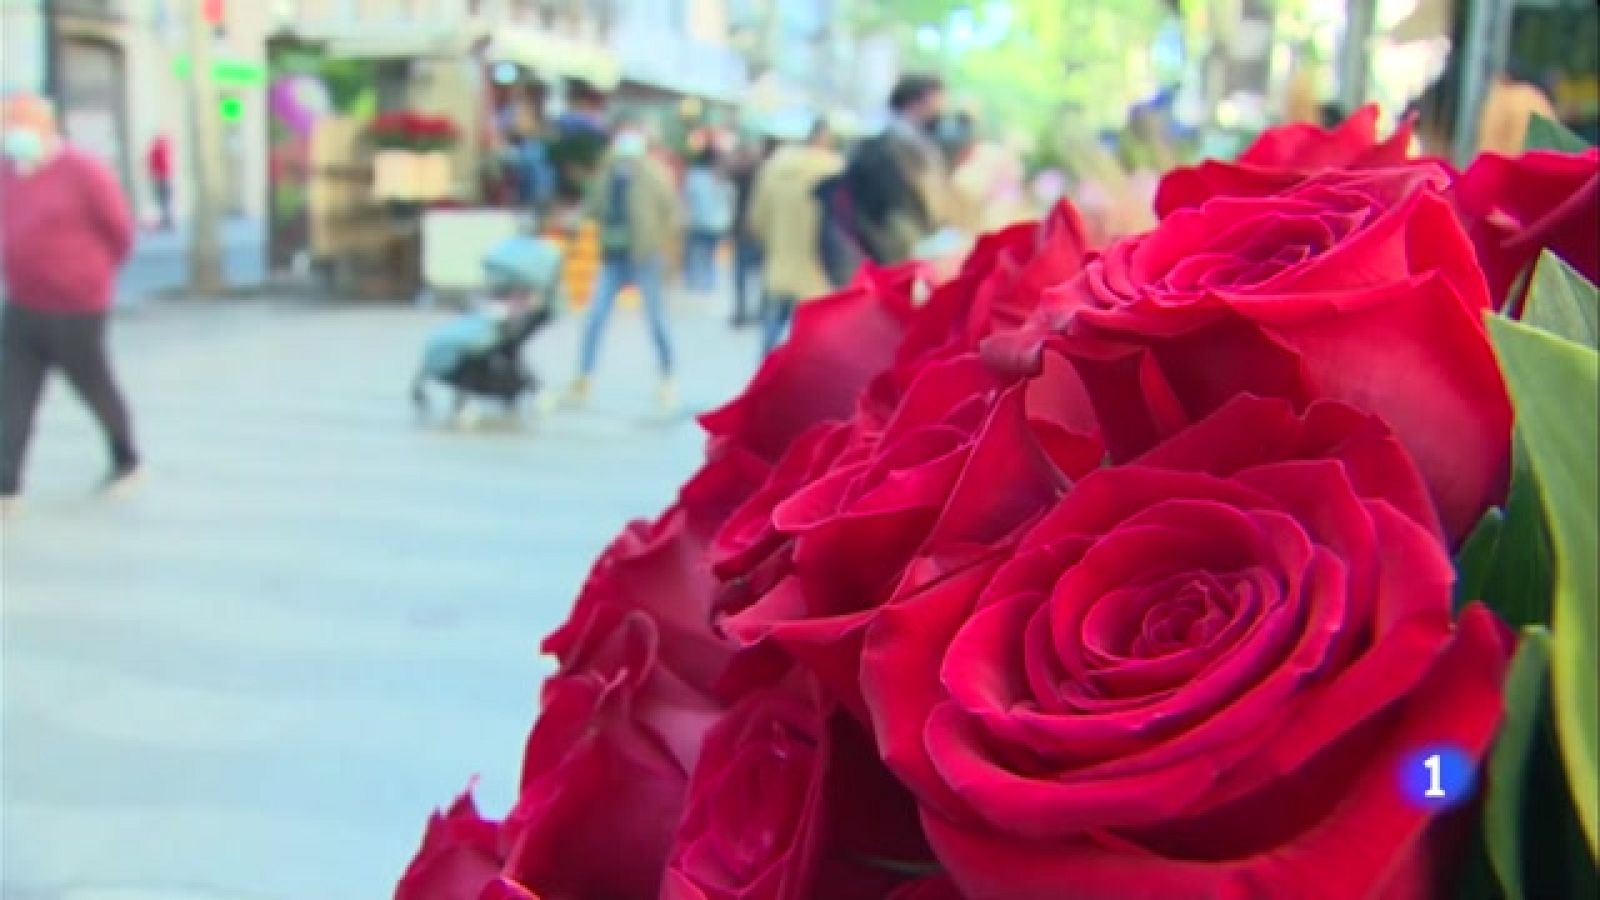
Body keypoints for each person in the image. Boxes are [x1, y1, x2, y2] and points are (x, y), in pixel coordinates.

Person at [1, 92, 139, 515]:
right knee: (12, 393)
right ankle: (7, 486)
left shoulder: (83, 172)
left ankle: (126, 459)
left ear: (45, 128)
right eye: (7, 126)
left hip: (76, 306)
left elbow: (119, 231)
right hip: (23, 302)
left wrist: (90, 276)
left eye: (18, 125)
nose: (11, 134)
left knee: (93, 387)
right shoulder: (7, 174)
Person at [565, 119, 681, 411]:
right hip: (613, 255)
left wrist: (663, 247)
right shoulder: (607, 175)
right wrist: (575, 223)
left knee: (656, 319)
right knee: (595, 317)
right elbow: (592, 207)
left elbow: (672, 213)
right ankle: (584, 376)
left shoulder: (654, 175)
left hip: (644, 256)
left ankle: (667, 377)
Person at [819, 73, 951, 279]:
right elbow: (883, 217)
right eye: (934, 102)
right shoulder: (880, 150)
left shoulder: (919, 147)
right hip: (890, 260)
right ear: (915, 102)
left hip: (907, 256)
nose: (940, 109)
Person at [749, 118, 844, 353]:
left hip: (781, 265)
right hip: (820, 272)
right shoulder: (836, 169)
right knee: (813, 343)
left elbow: (757, 219)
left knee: (772, 333)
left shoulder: (774, 168)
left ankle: (766, 384)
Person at [728, 136, 775, 327]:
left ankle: (748, 310)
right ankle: (753, 310)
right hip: (751, 231)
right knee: (752, 274)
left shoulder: (752, 174)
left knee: (746, 274)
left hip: (750, 230)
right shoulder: (761, 174)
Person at [681, 144, 733, 294]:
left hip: (698, 221)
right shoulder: (719, 177)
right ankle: (707, 281)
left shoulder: (694, 176)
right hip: (713, 223)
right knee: (708, 252)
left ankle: (696, 281)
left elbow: (687, 198)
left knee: (697, 252)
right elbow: (727, 199)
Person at [146, 133, 173, 230]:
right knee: (166, 201)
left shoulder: (155, 150)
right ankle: (168, 221)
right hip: (165, 177)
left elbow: (151, 163)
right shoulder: (165, 148)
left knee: (163, 201)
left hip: (160, 178)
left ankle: (166, 221)